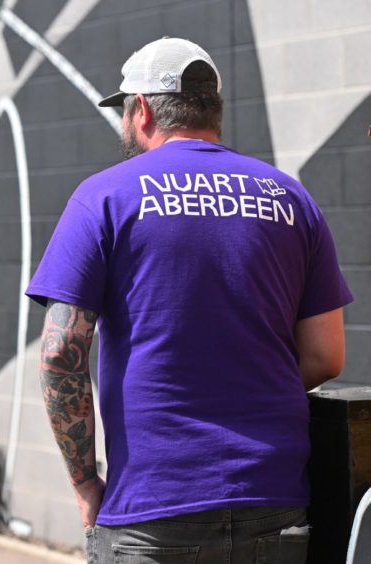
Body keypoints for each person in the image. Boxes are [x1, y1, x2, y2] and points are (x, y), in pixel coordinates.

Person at [26, 37, 353, 563]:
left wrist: (86, 481)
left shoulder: (105, 196)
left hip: (153, 511)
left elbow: (61, 355)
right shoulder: (291, 198)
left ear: (144, 111)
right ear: (213, 111)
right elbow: (325, 356)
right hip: (275, 501)